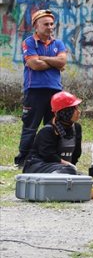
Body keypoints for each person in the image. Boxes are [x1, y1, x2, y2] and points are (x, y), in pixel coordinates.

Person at [15, 9, 68, 166]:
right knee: (30, 127)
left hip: (55, 92)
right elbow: (34, 65)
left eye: (52, 24)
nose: (50, 27)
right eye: (46, 24)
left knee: (53, 127)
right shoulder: (29, 42)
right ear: (36, 26)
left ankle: (50, 158)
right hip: (34, 91)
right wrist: (54, 62)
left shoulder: (58, 43)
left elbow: (62, 62)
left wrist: (43, 57)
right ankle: (23, 159)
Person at [22, 91, 82, 175]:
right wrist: (67, 166)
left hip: (61, 167)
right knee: (67, 171)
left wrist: (71, 167)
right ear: (65, 112)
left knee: (79, 176)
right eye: (74, 109)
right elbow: (48, 155)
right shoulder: (47, 131)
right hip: (39, 166)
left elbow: (76, 153)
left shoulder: (77, 128)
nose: (78, 112)